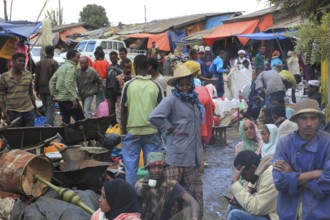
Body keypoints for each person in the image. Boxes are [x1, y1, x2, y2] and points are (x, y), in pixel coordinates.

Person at [149, 64, 204, 219]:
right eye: (182, 85)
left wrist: (201, 155)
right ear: (177, 86)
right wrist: (168, 127)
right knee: (172, 197)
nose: (185, 88)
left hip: (192, 157)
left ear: (192, 85)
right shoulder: (172, 100)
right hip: (176, 157)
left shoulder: (194, 100)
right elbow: (154, 117)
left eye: (188, 84)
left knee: (194, 195)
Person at [272, 98, 330, 219]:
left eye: (313, 118)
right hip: (288, 214)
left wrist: (292, 175)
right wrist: (314, 174)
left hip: (320, 215)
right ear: (296, 121)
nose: (309, 123)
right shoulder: (285, 143)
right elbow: (279, 181)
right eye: (304, 118)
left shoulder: (327, 143)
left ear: (319, 120)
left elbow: (328, 183)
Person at [120, 54, 163, 187]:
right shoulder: (155, 86)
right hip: (152, 131)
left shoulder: (128, 85)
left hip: (132, 131)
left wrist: (123, 131)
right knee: (153, 168)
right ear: (148, 67)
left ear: (135, 67)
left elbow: (123, 110)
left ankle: (132, 196)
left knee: (131, 167)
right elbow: (162, 111)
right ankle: (152, 194)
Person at [135, 152, 200, 220]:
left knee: (188, 210)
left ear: (164, 169)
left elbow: (193, 202)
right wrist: (144, 189)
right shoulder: (141, 183)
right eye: (153, 168)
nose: (156, 170)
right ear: (148, 169)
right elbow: (139, 192)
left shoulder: (171, 184)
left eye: (160, 167)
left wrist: (194, 218)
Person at [227, 150, 279, 220]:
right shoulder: (260, 173)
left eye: (243, 174)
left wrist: (235, 183)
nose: (242, 178)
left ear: (253, 168)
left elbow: (256, 208)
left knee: (234, 215)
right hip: (266, 212)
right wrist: (240, 200)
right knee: (232, 207)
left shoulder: (270, 176)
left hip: (274, 216)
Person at [0, 52, 40, 127]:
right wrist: (5, 114)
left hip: (29, 111)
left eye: (24, 61)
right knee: (16, 136)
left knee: (29, 134)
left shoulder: (28, 75)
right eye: (20, 61)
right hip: (13, 112)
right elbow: (1, 96)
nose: (22, 63)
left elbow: (31, 93)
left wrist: (36, 110)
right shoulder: (4, 77)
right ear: (13, 61)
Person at [49, 50, 85, 124]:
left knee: (65, 121)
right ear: (72, 57)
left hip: (61, 99)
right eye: (77, 57)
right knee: (82, 121)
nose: (79, 60)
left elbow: (52, 81)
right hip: (69, 99)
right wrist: (73, 99)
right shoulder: (71, 67)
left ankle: (65, 135)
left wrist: (54, 95)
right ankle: (83, 135)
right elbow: (68, 83)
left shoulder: (62, 67)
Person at [34, 45, 59, 126]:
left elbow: (36, 77)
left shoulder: (39, 62)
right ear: (52, 52)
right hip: (51, 90)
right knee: (50, 108)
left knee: (45, 107)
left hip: (41, 89)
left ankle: (46, 124)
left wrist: (36, 89)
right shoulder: (54, 63)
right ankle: (49, 126)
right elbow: (57, 78)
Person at [106, 51, 123, 125]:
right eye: (111, 58)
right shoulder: (109, 67)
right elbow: (107, 80)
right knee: (111, 109)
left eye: (113, 58)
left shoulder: (120, 67)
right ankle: (114, 124)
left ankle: (121, 123)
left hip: (118, 91)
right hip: (110, 91)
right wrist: (106, 92)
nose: (112, 59)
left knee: (120, 109)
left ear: (117, 57)